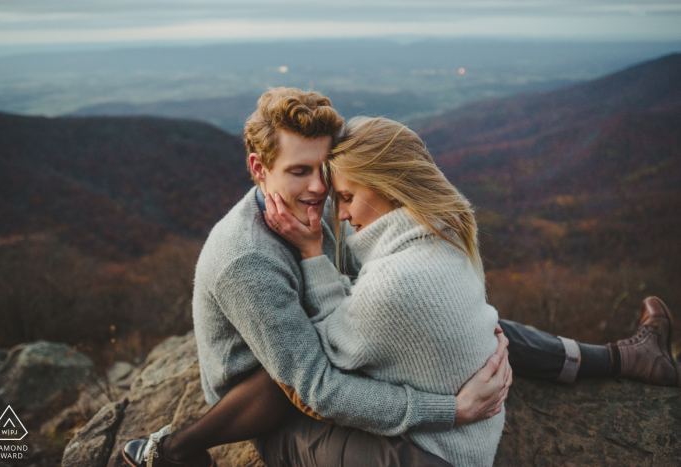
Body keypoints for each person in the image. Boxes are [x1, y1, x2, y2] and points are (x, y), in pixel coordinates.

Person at [122, 88, 680, 467]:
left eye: (324, 171)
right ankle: (173, 453)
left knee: (451, 318)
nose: (318, 189)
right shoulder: (250, 258)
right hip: (277, 396)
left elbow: (384, 299)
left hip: (338, 345)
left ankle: (625, 358)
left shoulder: (317, 206)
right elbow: (314, 387)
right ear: (257, 168)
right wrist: (454, 410)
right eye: (298, 171)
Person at [262, 115, 506, 466]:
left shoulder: (394, 282)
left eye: (346, 197)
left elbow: (329, 352)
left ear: (389, 187)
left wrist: (310, 254)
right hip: (476, 437)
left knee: (277, 436)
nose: (341, 214)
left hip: (438, 452)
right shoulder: (448, 231)